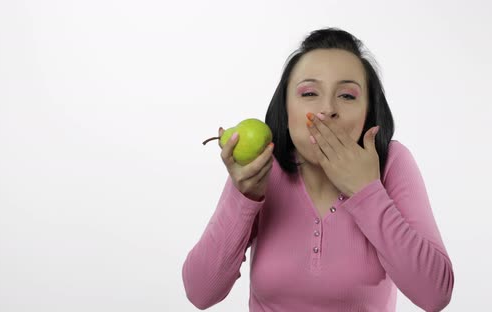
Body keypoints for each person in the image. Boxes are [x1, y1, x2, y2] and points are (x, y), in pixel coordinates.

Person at [182, 27, 454, 312]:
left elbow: (434, 295)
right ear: (285, 111)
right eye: (309, 93)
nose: (327, 109)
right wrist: (244, 198)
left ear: (368, 113)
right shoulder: (262, 166)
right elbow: (200, 293)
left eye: (347, 96)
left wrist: (366, 191)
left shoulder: (392, 162)